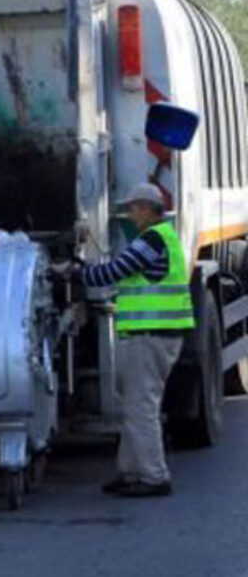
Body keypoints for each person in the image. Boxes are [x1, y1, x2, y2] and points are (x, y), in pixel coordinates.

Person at [55, 183, 194, 498]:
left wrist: (73, 273)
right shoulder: (162, 238)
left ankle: (154, 476)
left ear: (146, 208)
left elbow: (114, 272)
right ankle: (131, 472)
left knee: (141, 407)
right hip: (154, 336)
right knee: (135, 405)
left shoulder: (152, 239)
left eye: (133, 208)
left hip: (151, 337)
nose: (130, 214)